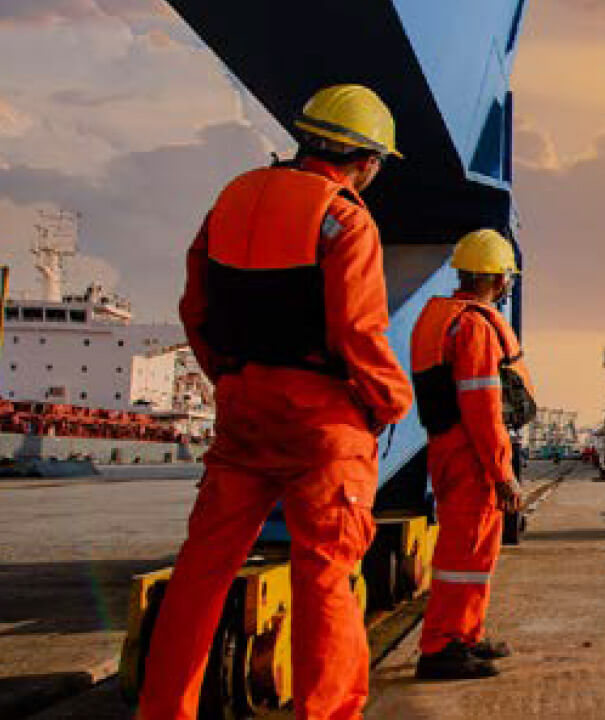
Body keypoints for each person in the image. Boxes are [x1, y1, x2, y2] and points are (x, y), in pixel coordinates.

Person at [137, 84, 414, 720]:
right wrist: (392, 402)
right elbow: (357, 335)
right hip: (322, 424)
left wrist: (230, 380)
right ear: (367, 160)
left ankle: (163, 710)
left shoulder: (231, 200)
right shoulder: (345, 219)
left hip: (242, 409)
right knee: (326, 576)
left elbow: (196, 308)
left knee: (203, 570)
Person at [409, 228, 536, 679]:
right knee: (465, 554)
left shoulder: (438, 317)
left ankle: (465, 634)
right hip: (472, 453)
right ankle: (442, 647)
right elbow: (483, 407)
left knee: (470, 551)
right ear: (500, 280)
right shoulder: (475, 326)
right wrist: (502, 472)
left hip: (449, 447)